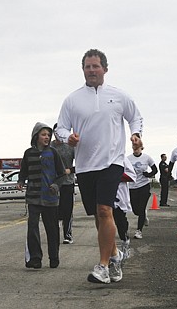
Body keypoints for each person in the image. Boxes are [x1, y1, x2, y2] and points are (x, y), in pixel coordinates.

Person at [55, 48, 143, 284]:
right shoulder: (72, 99)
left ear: (105, 68)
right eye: (87, 66)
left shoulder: (119, 95)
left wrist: (135, 134)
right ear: (82, 69)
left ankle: (103, 266)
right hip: (85, 165)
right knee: (98, 216)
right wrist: (67, 138)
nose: (91, 70)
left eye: (95, 66)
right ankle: (115, 256)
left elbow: (135, 117)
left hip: (111, 161)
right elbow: (60, 128)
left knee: (105, 210)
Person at [17, 122, 66, 269]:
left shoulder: (53, 153)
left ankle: (54, 257)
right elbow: (23, 172)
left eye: (48, 135)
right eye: (44, 134)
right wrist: (20, 181)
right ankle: (35, 259)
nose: (47, 137)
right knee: (32, 227)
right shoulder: (28, 153)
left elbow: (62, 174)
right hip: (33, 196)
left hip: (50, 198)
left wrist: (56, 185)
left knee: (52, 229)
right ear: (36, 136)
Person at [51, 123, 76, 244]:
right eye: (56, 132)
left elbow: (82, 163)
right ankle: (54, 233)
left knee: (67, 210)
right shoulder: (50, 146)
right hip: (54, 183)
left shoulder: (71, 146)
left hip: (67, 182)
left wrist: (70, 170)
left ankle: (68, 235)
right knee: (54, 210)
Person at [128, 145, 157, 239]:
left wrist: (148, 174)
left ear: (141, 147)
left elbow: (155, 169)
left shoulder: (147, 158)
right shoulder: (128, 159)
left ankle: (139, 231)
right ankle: (144, 215)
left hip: (144, 185)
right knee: (135, 210)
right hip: (132, 187)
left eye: (137, 147)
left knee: (141, 207)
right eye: (134, 147)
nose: (135, 148)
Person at [113, 157, 136, 260]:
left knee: (120, 221)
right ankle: (110, 254)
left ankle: (125, 241)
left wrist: (113, 175)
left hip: (119, 195)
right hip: (104, 193)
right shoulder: (99, 155)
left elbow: (132, 176)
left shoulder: (122, 158)